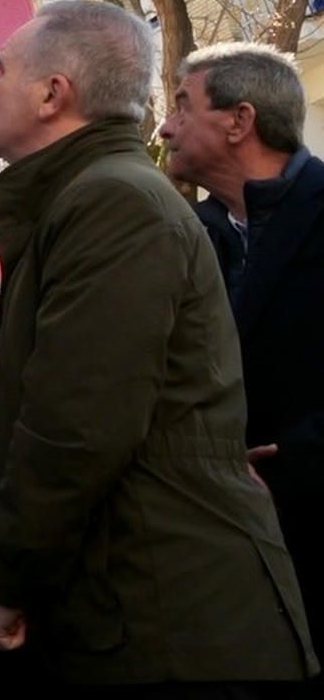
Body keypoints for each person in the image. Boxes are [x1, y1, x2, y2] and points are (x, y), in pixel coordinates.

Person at [0, 0, 315, 690]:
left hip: (170, 615)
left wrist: (7, 579)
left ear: (52, 93)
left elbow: (77, 421)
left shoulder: (116, 202)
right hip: (147, 597)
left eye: (0, 69)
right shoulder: (99, 199)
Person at [158, 41, 324, 687]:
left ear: (239, 120)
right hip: (223, 557)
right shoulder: (184, 232)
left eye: (182, 105)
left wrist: (298, 461)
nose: (165, 127)